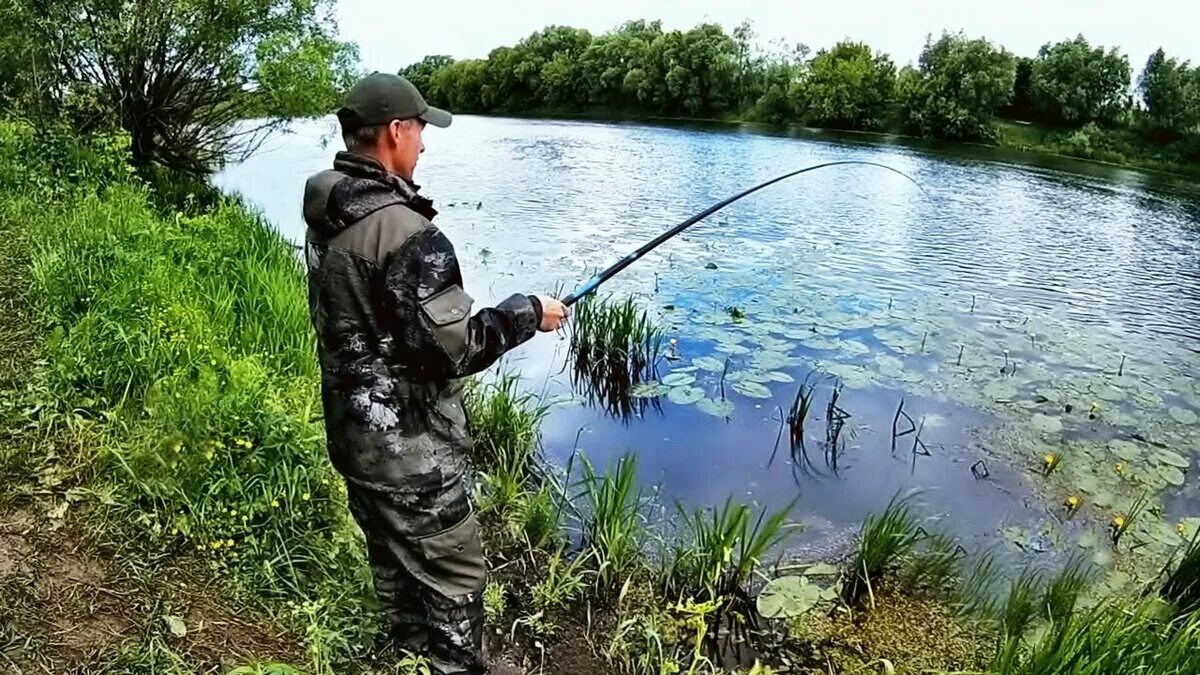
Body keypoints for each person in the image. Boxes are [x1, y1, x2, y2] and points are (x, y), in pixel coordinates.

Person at [302, 72, 568, 674]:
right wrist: (528, 313)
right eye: (420, 129)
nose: (425, 142)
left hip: (353, 435)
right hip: (412, 453)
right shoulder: (409, 234)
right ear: (396, 131)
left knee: (391, 557)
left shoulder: (328, 207)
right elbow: (454, 350)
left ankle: (408, 655)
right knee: (455, 575)